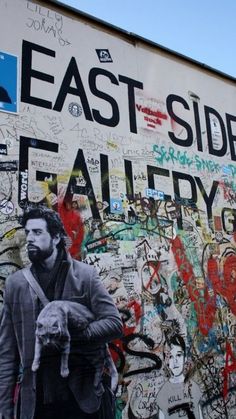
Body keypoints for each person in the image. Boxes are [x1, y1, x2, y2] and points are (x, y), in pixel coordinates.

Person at [0, 205, 123, 419]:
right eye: (27, 232)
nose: (30, 238)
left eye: (37, 232)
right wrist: (5, 408)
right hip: (37, 403)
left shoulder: (85, 275)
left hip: (82, 399)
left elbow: (114, 323)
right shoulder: (15, 284)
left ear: (56, 237)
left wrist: (75, 335)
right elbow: (7, 354)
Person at [156, 335, 203, 419]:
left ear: (185, 358)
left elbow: (200, 415)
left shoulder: (194, 387)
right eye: (170, 357)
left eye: (178, 355)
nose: (175, 361)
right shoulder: (163, 393)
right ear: (166, 361)